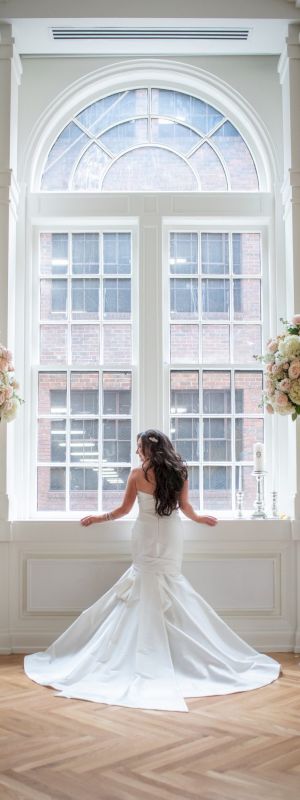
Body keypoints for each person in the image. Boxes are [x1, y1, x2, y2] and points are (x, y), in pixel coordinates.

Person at [24, 429, 280, 712]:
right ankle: (173, 652)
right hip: (171, 534)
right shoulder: (179, 472)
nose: (137, 452)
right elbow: (185, 508)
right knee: (170, 584)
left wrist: (98, 518)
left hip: (145, 534)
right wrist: (199, 518)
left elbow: (122, 510)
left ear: (148, 449)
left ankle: (149, 650)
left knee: (145, 583)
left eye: (139, 448)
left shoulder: (137, 475)